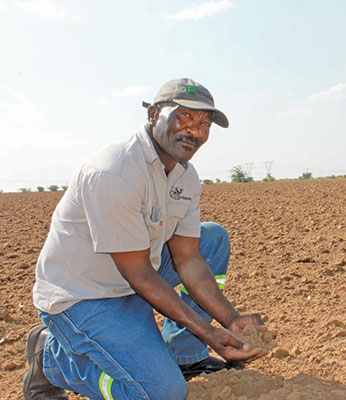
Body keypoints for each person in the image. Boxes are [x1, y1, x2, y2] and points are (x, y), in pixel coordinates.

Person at [25, 78, 266, 400]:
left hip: (134, 282)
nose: (194, 131)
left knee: (212, 239)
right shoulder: (115, 171)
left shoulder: (185, 175)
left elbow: (189, 258)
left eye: (204, 124)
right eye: (183, 117)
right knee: (161, 393)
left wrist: (232, 320)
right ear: (153, 114)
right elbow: (138, 273)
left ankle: (185, 354)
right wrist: (208, 331)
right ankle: (54, 361)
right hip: (85, 296)